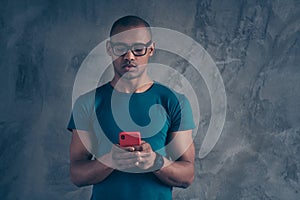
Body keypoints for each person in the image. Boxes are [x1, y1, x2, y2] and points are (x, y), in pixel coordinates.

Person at [67, 15, 196, 200]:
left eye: (138, 49)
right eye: (121, 48)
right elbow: (77, 175)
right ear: (109, 49)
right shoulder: (87, 103)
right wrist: (110, 160)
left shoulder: (174, 102)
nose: (129, 56)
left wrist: (156, 162)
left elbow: (187, 175)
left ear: (151, 49)